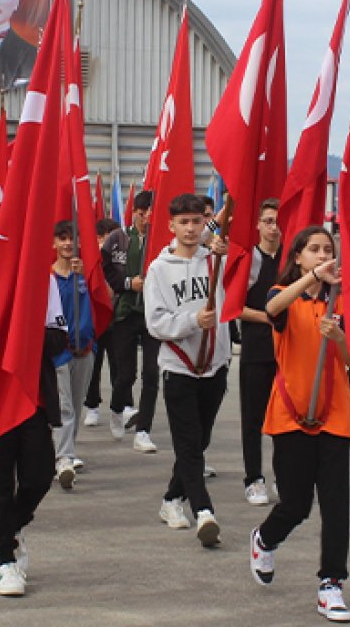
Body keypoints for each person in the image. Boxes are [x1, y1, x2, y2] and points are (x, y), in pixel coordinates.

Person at [247, 225, 350, 623]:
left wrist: (339, 337)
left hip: (335, 414)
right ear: (298, 257)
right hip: (291, 413)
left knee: (335, 505)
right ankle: (265, 538)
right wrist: (312, 278)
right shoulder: (285, 295)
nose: (323, 255)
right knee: (296, 504)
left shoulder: (342, 301)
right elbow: (271, 309)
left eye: (328, 249)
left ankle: (331, 583)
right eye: (314, 249)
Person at [0, 245, 68, 596]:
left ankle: (12, 527)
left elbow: (58, 339)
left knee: (40, 474)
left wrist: (25, 327)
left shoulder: (44, 280)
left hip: (30, 394)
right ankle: (5, 560)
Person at [144, 193, 232, 547]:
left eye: (197, 221)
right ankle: (204, 511)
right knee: (189, 444)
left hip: (215, 366)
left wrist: (223, 245)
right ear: (171, 226)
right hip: (179, 367)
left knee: (200, 440)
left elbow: (222, 226)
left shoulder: (216, 259)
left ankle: (171, 499)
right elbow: (156, 322)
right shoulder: (159, 269)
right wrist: (193, 320)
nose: (191, 228)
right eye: (184, 222)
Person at [101, 191, 160, 452]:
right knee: (126, 374)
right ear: (135, 212)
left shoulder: (161, 240)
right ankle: (117, 409)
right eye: (142, 213)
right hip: (124, 313)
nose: (146, 218)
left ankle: (143, 430)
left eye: (151, 213)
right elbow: (105, 271)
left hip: (152, 315)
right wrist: (128, 283)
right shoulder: (118, 238)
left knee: (151, 374)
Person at [238, 198, 282, 505]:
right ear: (257, 224)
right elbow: (234, 307)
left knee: (284, 419)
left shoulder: (291, 261)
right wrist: (268, 316)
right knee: (253, 419)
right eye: (268, 221)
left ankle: (284, 475)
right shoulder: (248, 260)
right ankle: (254, 479)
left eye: (277, 222)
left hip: (286, 352)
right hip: (255, 350)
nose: (273, 227)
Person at [51, 220, 98, 488]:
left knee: (76, 405)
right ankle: (64, 458)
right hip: (60, 351)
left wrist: (85, 278)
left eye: (72, 238)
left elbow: (103, 300)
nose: (68, 243)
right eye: (62, 238)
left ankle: (66, 450)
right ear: (54, 243)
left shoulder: (86, 274)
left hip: (85, 349)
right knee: (64, 406)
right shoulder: (48, 277)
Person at [83, 218, 121, 427]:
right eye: (111, 237)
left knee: (119, 364)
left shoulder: (119, 259)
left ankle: (122, 405)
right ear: (99, 238)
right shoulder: (90, 259)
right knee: (93, 365)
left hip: (116, 318)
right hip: (95, 318)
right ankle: (92, 406)